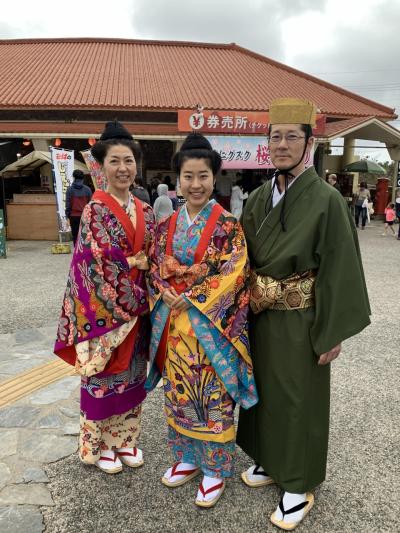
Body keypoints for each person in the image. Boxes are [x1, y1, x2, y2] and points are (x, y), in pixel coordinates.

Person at [236, 98, 371, 530]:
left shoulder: (327, 200)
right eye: (275, 136)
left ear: (309, 142)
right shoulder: (258, 198)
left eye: (292, 136)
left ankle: (299, 482)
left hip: (301, 317)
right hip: (261, 314)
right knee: (263, 393)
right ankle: (270, 461)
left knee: (298, 399)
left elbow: (340, 266)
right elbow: (240, 261)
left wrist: (332, 331)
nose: (281, 144)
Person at [146, 133, 257, 508]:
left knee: (211, 397)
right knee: (178, 393)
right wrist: (163, 289)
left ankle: (215, 469)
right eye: (188, 176)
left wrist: (192, 297)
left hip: (209, 326)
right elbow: (154, 265)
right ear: (178, 179)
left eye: (203, 176)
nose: (195, 184)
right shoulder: (166, 225)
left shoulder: (228, 226)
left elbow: (235, 272)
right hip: (175, 326)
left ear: (215, 178)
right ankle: (188, 458)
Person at [54, 121, 155, 474]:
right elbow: (91, 263)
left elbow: (153, 254)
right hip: (107, 312)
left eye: (129, 161)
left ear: (136, 165)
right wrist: (134, 273)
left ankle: (125, 441)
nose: (123, 168)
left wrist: (152, 273)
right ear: (101, 165)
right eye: (115, 161)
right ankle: (100, 447)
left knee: (132, 375)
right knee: (104, 375)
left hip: (137, 311)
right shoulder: (96, 209)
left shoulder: (145, 208)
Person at [65, 169, 92, 244]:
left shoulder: (70, 190)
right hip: (85, 216)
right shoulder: (88, 190)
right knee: (85, 236)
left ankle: (77, 253)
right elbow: (90, 204)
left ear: (74, 177)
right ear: (83, 178)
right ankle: (85, 253)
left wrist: (67, 216)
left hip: (74, 217)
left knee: (76, 236)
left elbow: (68, 205)